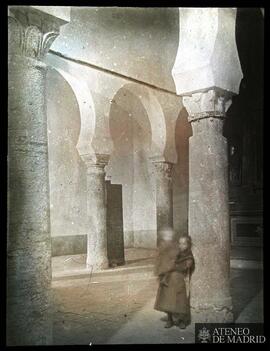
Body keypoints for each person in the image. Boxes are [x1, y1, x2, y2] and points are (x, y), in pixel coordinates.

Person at [154, 229, 194, 329]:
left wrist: (172, 266)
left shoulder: (188, 255)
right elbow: (165, 260)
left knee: (180, 301)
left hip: (178, 279)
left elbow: (186, 265)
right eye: (180, 243)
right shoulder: (175, 252)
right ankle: (170, 319)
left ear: (188, 245)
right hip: (168, 279)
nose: (181, 246)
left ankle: (181, 320)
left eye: (184, 244)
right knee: (167, 299)